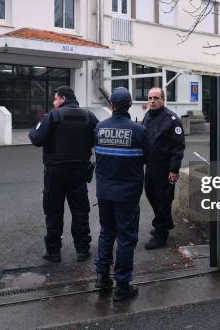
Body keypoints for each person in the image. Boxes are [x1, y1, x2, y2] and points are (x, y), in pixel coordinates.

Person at [29, 86, 98, 263]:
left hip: (55, 173)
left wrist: (39, 123)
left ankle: (53, 252)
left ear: (63, 99)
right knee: (80, 211)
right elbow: (99, 139)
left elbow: (36, 138)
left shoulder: (53, 116)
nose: (54, 102)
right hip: (79, 173)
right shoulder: (88, 116)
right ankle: (82, 250)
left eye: (55, 99)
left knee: (53, 212)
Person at [94, 87, 151, 302]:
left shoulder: (99, 128)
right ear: (129, 105)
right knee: (126, 238)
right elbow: (149, 157)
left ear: (112, 105)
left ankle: (101, 277)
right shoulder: (138, 130)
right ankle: (123, 285)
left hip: (104, 192)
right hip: (127, 194)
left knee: (107, 232)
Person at [142, 87, 185, 250]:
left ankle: (161, 235)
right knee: (151, 194)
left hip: (165, 167)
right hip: (150, 166)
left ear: (163, 99)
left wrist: (174, 170)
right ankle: (164, 223)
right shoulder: (147, 115)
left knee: (163, 200)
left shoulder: (171, 119)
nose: (152, 101)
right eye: (150, 98)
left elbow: (178, 147)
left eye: (156, 98)